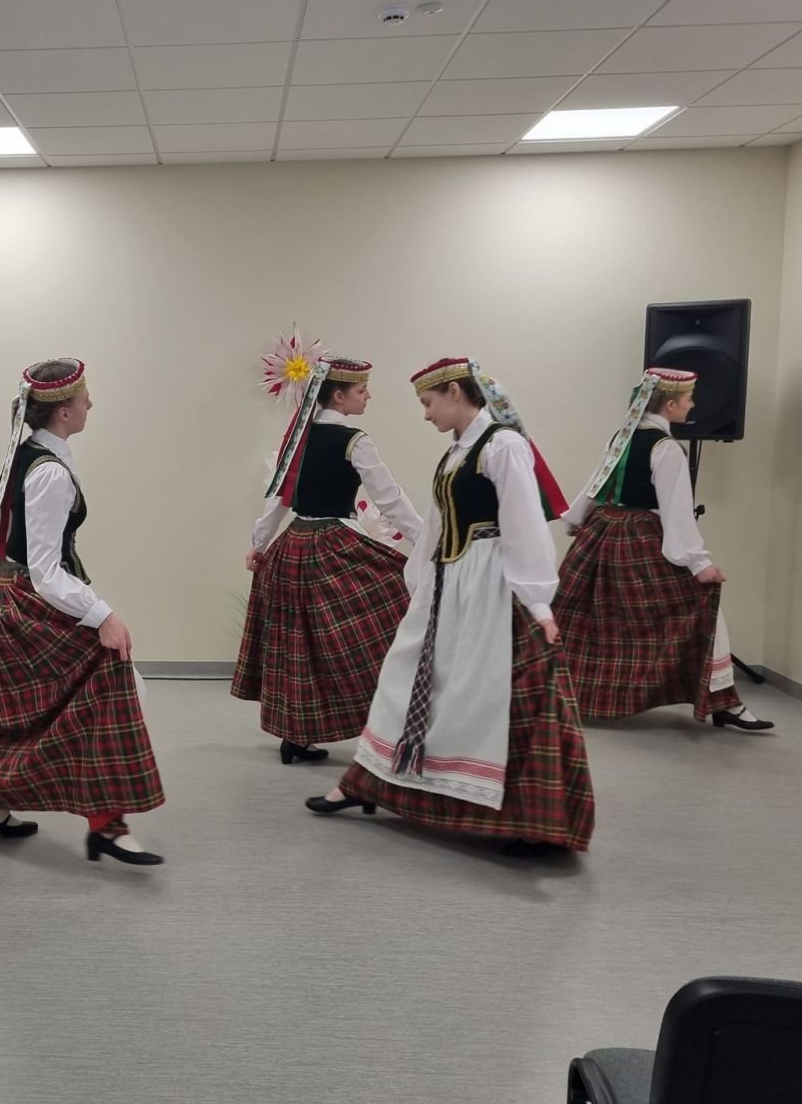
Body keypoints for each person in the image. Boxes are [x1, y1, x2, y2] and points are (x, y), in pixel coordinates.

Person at [308, 358, 595, 857]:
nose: (425, 415)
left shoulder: (503, 446)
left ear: (455, 392)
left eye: (428, 403)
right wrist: (418, 581)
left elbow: (525, 524)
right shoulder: (456, 452)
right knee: (404, 679)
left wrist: (538, 603)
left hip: (490, 584)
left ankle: (528, 820)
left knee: (489, 696)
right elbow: (437, 523)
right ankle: (365, 782)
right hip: (448, 584)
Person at [0, 358, 166, 867]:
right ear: (62, 412)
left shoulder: (30, 452)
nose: (90, 403)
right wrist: (104, 615)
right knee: (114, 689)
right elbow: (46, 570)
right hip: (27, 599)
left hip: (9, 592)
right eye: (83, 398)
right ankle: (107, 826)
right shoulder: (49, 471)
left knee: (30, 714)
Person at [233, 335, 422, 765]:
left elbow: (278, 498)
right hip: (333, 547)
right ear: (339, 395)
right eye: (362, 390)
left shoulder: (299, 438)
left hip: (292, 547)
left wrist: (258, 546)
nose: (368, 396)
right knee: (391, 611)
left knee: (300, 646)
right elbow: (390, 499)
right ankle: (390, 720)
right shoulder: (355, 440)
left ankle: (296, 738)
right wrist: (427, 542)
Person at [555, 367, 773, 731]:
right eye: (688, 399)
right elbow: (676, 510)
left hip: (602, 531)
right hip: (640, 536)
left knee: (592, 619)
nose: (692, 406)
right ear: (670, 405)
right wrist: (699, 563)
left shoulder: (622, 437)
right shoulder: (666, 448)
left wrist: (576, 518)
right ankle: (723, 702)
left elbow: (596, 483)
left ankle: (565, 694)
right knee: (704, 606)